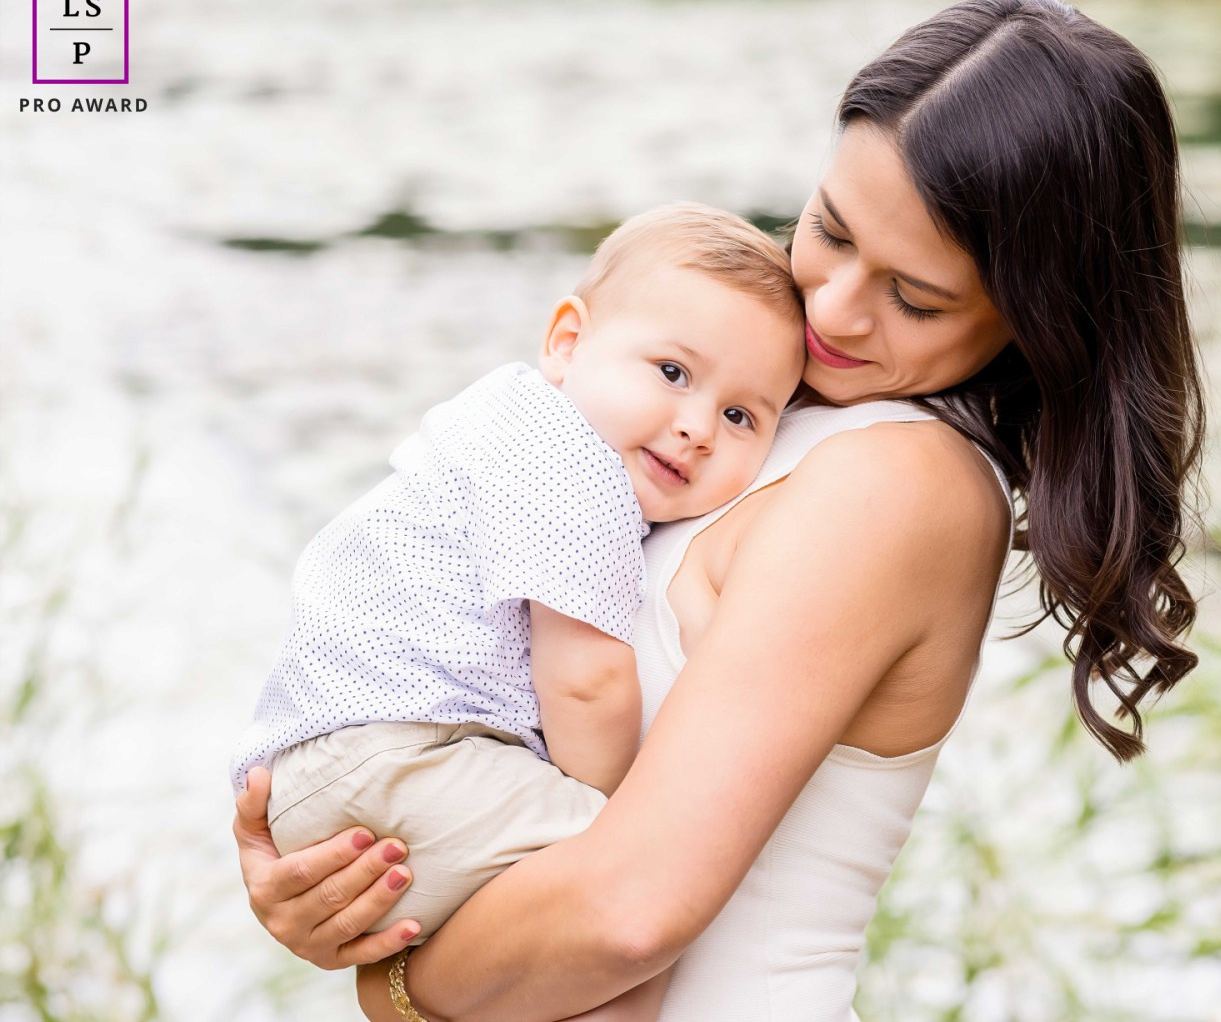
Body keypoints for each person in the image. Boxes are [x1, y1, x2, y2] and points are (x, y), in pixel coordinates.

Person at [232, 0, 1205, 1022]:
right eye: (827, 230)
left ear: (1036, 319)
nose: (829, 309)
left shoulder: (900, 486)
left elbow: (627, 916)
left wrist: (390, 981)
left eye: (913, 297)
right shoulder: (751, 414)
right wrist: (353, 874)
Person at [231, 203, 805, 1017]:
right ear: (568, 342)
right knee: (627, 894)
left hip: (342, 765)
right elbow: (587, 682)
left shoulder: (500, 420)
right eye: (673, 373)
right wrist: (606, 814)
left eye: (741, 416)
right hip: (408, 757)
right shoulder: (574, 469)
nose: (697, 428)